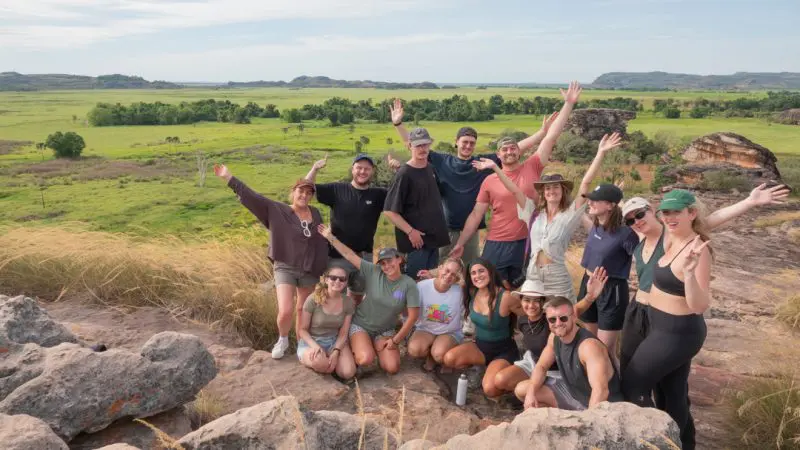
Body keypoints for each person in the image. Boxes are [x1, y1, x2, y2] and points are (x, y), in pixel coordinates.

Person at [619, 183, 791, 376]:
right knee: (627, 362)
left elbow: (711, 220)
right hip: (636, 311)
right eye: (630, 220)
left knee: (664, 377)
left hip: (663, 315)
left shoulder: (672, 236)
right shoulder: (640, 236)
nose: (637, 221)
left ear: (653, 211)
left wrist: (749, 202)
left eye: (640, 215)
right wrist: (619, 201)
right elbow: (627, 213)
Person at [389, 98, 560, 264]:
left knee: (469, 270)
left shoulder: (483, 164)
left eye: (472, 143)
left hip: (471, 230)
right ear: (456, 143)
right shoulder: (442, 161)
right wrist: (398, 124)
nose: (468, 146)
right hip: (444, 229)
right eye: (464, 142)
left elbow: (514, 149)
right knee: (442, 269)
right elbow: (414, 145)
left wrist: (541, 134)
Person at [450, 82, 583, 287]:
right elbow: (477, 214)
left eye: (513, 148)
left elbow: (551, 137)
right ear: (498, 154)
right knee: (492, 289)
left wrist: (568, 104)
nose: (510, 152)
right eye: (505, 150)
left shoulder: (533, 166)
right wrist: (460, 243)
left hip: (529, 240)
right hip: (497, 242)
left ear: (519, 151)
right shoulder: (489, 179)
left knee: (527, 289)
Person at [472, 132, 623, 297]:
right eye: (547, 188)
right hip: (532, 276)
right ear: (542, 193)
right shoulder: (533, 213)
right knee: (531, 316)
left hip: (556, 278)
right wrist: (495, 167)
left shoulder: (570, 214)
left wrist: (600, 153)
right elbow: (515, 190)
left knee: (559, 318)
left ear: (563, 191)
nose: (551, 191)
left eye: (556, 187)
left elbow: (585, 183)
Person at [621, 189, 715, 450]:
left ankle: (655, 442)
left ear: (692, 213)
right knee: (672, 392)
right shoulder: (670, 236)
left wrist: (689, 275)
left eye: (677, 212)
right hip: (658, 324)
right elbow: (643, 230)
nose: (670, 217)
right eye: (666, 213)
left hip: (678, 331)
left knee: (633, 384)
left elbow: (699, 305)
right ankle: (683, 444)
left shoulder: (698, 250)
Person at [214, 164, 328, 359]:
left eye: (309, 193)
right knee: (286, 310)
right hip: (285, 265)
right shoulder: (278, 210)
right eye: (300, 191)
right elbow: (253, 198)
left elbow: (319, 236)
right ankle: (283, 339)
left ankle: (302, 343)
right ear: (293, 193)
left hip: (310, 268)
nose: (304, 195)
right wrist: (229, 178)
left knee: (303, 308)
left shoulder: (315, 213)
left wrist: (314, 170)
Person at [317, 224, 420, 375]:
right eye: (383, 263)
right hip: (361, 324)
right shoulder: (374, 271)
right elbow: (350, 255)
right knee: (365, 359)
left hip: (385, 330)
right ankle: (358, 345)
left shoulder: (408, 284)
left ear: (399, 260)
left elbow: (413, 317)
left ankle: (373, 346)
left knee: (392, 367)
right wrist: (330, 237)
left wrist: (395, 340)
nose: (386, 266)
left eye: (390, 261)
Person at [493, 268, 609, 399]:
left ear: (543, 302)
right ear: (521, 301)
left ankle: (540, 395)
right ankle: (528, 395)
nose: (531, 305)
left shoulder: (553, 320)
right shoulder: (523, 320)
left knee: (525, 389)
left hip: (556, 371)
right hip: (533, 362)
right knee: (500, 380)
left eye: (536, 300)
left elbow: (574, 310)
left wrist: (589, 297)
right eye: (527, 300)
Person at [305, 153, 388, 303]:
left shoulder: (379, 194)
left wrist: (398, 170)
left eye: (367, 169)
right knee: (332, 297)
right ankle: (331, 326)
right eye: (359, 168)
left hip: (364, 257)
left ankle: (349, 326)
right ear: (352, 169)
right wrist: (315, 169)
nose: (362, 172)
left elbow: (401, 196)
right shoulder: (337, 190)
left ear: (372, 171)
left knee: (357, 297)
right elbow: (307, 188)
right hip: (337, 257)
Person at [523, 296, 623, 410]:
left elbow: (601, 391)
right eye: (552, 319)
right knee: (524, 390)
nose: (558, 323)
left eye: (563, 318)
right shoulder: (554, 337)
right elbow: (541, 366)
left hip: (603, 406)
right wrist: (530, 394)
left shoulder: (589, 347)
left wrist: (589, 420)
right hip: (575, 396)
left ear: (574, 317)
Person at [441, 258, 522, 397]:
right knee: (449, 359)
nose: (477, 276)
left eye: (481, 271)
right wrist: (431, 274)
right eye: (473, 273)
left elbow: (528, 313)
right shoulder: (472, 291)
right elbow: (450, 276)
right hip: (480, 347)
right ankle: (480, 368)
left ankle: (508, 376)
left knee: (490, 389)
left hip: (503, 351)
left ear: (490, 272)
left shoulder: (505, 297)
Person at [577, 182, 639, 360]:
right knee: (590, 344)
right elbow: (578, 206)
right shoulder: (596, 226)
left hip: (612, 290)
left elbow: (644, 255)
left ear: (611, 205)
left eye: (596, 200)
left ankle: (613, 386)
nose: (591, 203)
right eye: (590, 199)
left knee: (604, 350)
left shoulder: (626, 233)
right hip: (587, 285)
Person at [383, 127, 451, 279]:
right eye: (418, 145)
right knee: (414, 285)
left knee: (429, 285)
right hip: (416, 245)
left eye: (425, 144)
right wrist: (410, 231)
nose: (422, 148)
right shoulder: (404, 174)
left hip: (433, 241)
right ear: (409, 146)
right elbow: (389, 211)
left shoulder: (430, 168)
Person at [296, 265, 357, 380]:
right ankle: (319, 360)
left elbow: (343, 333)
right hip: (312, 341)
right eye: (333, 278)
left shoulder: (348, 302)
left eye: (342, 279)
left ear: (345, 282)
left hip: (334, 341)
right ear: (326, 279)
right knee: (321, 364)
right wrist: (315, 346)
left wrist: (336, 352)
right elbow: (302, 330)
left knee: (348, 373)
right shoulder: (313, 299)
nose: (337, 281)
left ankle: (331, 361)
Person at [407, 257, 466, 372]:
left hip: (449, 331)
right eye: (447, 270)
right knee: (414, 350)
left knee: (439, 354)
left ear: (457, 278)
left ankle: (440, 355)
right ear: (440, 268)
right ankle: (431, 351)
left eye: (454, 275)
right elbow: (409, 310)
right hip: (426, 329)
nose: (449, 276)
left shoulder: (460, 291)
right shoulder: (422, 286)